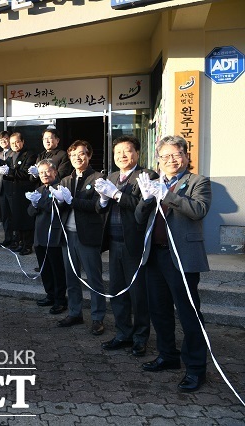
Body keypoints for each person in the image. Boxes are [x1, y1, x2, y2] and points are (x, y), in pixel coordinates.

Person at [135, 135, 211, 393]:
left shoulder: (198, 182)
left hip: (181, 256)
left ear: (186, 156)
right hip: (154, 256)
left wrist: (167, 195)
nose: (171, 160)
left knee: (189, 314)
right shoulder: (153, 183)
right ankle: (168, 355)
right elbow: (138, 218)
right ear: (158, 160)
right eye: (165, 156)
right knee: (159, 310)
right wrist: (147, 198)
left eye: (176, 155)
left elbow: (198, 210)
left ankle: (196, 369)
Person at [95, 136, 157, 357]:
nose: (122, 155)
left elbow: (143, 207)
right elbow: (101, 208)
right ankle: (123, 333)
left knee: (138, 294)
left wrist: (116, 194)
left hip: (135, 244)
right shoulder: (111, 176)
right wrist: (103, 199)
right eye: (118, 152)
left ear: (137, 153)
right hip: (114, 243)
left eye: (127, 151)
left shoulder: (147, 176)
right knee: (116, 292)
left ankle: (140, 338)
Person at [53, 140, 107, 335]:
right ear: (69, 157)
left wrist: (72, 201)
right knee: (71, 277)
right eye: (74, 154)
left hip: (88, 236)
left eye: (82, 153)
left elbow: (97, 206)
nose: (78, 157)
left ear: (89, 155)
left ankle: (98, 317)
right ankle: (75, 312)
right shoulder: (65, 179)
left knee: (94, 279)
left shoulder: (98, 178)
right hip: (67, 236)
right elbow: (61, 208)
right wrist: (58, 202)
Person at [26, 159, 67, 315]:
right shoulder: (39, 189)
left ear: (55, 172)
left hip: (54, 235)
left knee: (57, 270)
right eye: (41, 172)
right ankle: (50, 295)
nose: (44, 175)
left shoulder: (60, 188)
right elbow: (30, 212)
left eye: (47, 171)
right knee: (45, 269)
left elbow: (56, 208)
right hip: (40, 235)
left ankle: (60, 300)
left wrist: (39, 203)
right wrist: (34, 204)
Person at [0, 132, 36, 255]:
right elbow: (8, 173)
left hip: (24, 191)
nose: (15, 145)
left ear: (23, 141)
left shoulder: (30, 154)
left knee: (26, 219)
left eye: (17, 142)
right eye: (12, 143)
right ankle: (20, 243)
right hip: (13, 191)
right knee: (17, 219)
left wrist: (10, 172)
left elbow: (25, 173)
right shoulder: (11, 155)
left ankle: (28, 245)